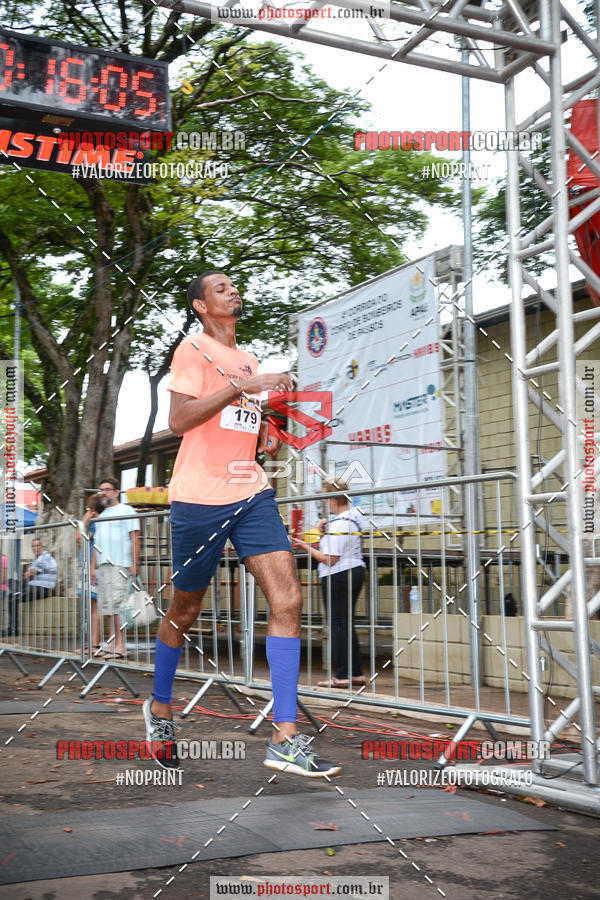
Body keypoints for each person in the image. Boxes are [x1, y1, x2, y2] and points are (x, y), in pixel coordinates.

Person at [143, 270, 341, 778]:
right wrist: (243, 387)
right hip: (198, 498)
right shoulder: (194, 349)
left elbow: (236, 424)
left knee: (288, 597)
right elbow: (181, 422)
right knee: (185, 609)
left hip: (250, 491)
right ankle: (160, 707)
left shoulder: (248, 359)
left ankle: (285, 735)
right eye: (220, 289)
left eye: (234, 286)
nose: (233, 291)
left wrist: (263, 436)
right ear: (202, 307)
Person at [291, 480, 366, 687]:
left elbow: (329, 558)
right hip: (354, 570)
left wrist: (305, 546)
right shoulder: (354, 518)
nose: (326, 503)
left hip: (338, 575)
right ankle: (356, 673)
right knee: (346, 623)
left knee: (338, 625)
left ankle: (341, 676)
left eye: (327, 498)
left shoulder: (341, 523)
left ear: (333, 499)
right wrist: (324, 533)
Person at [92, 478, 141, 660]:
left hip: (120, 563)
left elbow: (135, 537)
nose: (103, 492)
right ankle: (112, 643)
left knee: (118, 606)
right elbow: (97, 543)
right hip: (103, 565)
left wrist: (134, 563)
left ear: (116, 492)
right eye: (101, 490)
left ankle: (120, 647)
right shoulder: (102, 515)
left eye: (107, 489)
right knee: (107, 607)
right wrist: (93, 567)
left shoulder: (127, 510)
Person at [4, 538, 57, 637]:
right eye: (33, 546)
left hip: (42, 588)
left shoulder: (45, 556)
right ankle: (18, 592)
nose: (35, 548)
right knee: (11, 583)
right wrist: (27, 575)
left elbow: (30, 573)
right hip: (32, 586)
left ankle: (13, 629)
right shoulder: (37, 559)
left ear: (42, 547)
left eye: (37, 545)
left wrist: (27, 574)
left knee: (13, 597)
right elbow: (27, 576)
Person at [76, 493, 104, 654]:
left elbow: (80, 539)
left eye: (88, 508)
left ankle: (94, 645)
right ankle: (92, 643)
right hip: (89, 565)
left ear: (92, 509)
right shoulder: (96, 523)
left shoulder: (96, 523)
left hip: (94, 566)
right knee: (91, 605)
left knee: (95, 605)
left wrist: (84, 520)